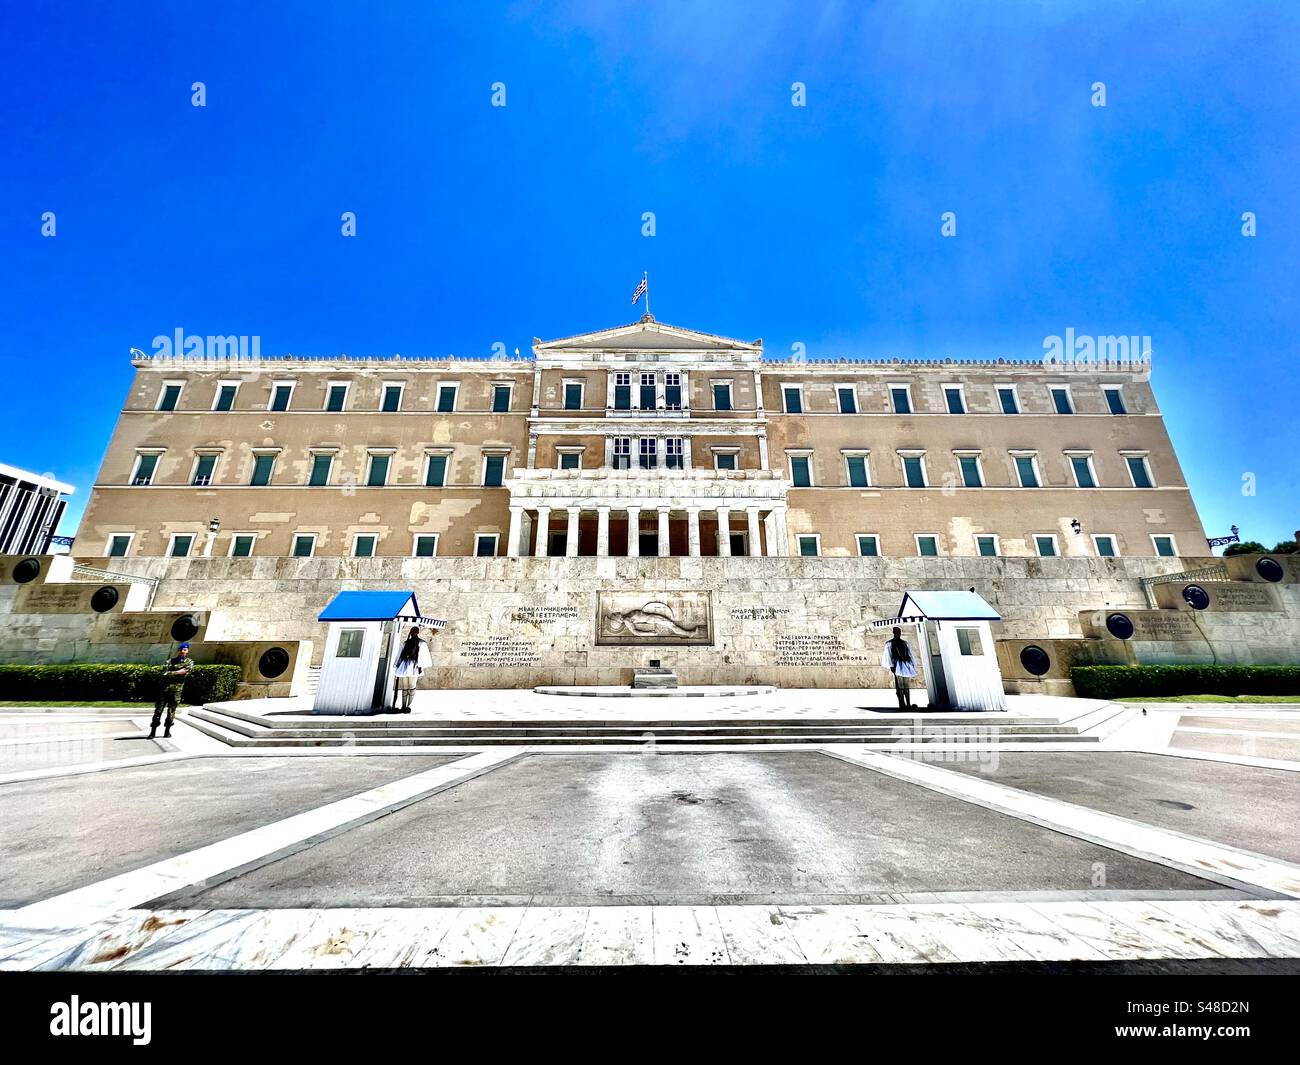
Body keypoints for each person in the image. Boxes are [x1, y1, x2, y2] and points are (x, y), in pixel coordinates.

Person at [150, 642, 194, 739]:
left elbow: (185, 673)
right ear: (178, 651)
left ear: (187, 651)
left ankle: (167, 731)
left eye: (185, 650)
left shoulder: (189, 662)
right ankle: (153, 732)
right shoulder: (170, 661)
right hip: (164, 689)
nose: (183, 651)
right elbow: (163, 672)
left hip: (176, 690)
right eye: (181, 649)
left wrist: (170, 673)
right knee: (158, 710)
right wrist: (177, 672)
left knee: (171, 711)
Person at [392, 625, 432, 714]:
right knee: (404, 687)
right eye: (412, 631)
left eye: (415, 631)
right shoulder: (406, 643)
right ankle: (403, 706)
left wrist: (420, 666)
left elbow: (423, 656)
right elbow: (400, 654)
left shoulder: (421, 643)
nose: (413, 632)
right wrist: (397, 664)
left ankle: (409, 706)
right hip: (404, 666)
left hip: (414, 666)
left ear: (418, 632)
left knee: (411, 686)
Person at [880, 626, 917, 710]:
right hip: (897, 666)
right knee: (900, 687)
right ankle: (902, 705)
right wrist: (892, 666)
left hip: (905, 665)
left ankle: (908, 704)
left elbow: (910, 655)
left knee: (906, 686)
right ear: (893, 632)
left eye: (899, 631)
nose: (898, 633)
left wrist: (911, 665)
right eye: (897, 631)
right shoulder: (890, 643)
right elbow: (888, 656)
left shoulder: (904, 643)